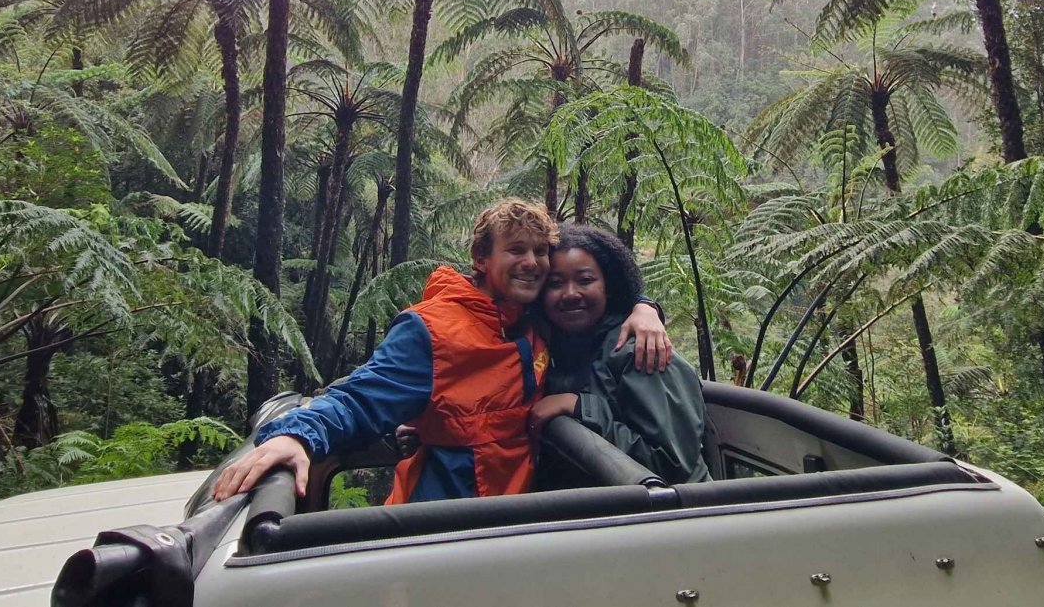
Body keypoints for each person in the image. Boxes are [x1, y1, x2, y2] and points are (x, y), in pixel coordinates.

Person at [211, 199, 672, 503]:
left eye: (539, 251)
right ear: (481, 260)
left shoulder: (533, 322)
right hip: (440, 526)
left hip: (515, 526)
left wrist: (645, 306)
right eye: (516, 250)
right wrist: (297, 436)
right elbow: (360, 397)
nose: (532, 263)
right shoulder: (432, 330)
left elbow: (595, 293)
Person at [528, 223, 710, 485]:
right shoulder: (553, 349)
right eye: (555, 283)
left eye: (585, 280)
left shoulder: (641, 349)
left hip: (677, 518)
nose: (570, 293)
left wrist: (580, 407)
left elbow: (671, 466)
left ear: (608, 286)